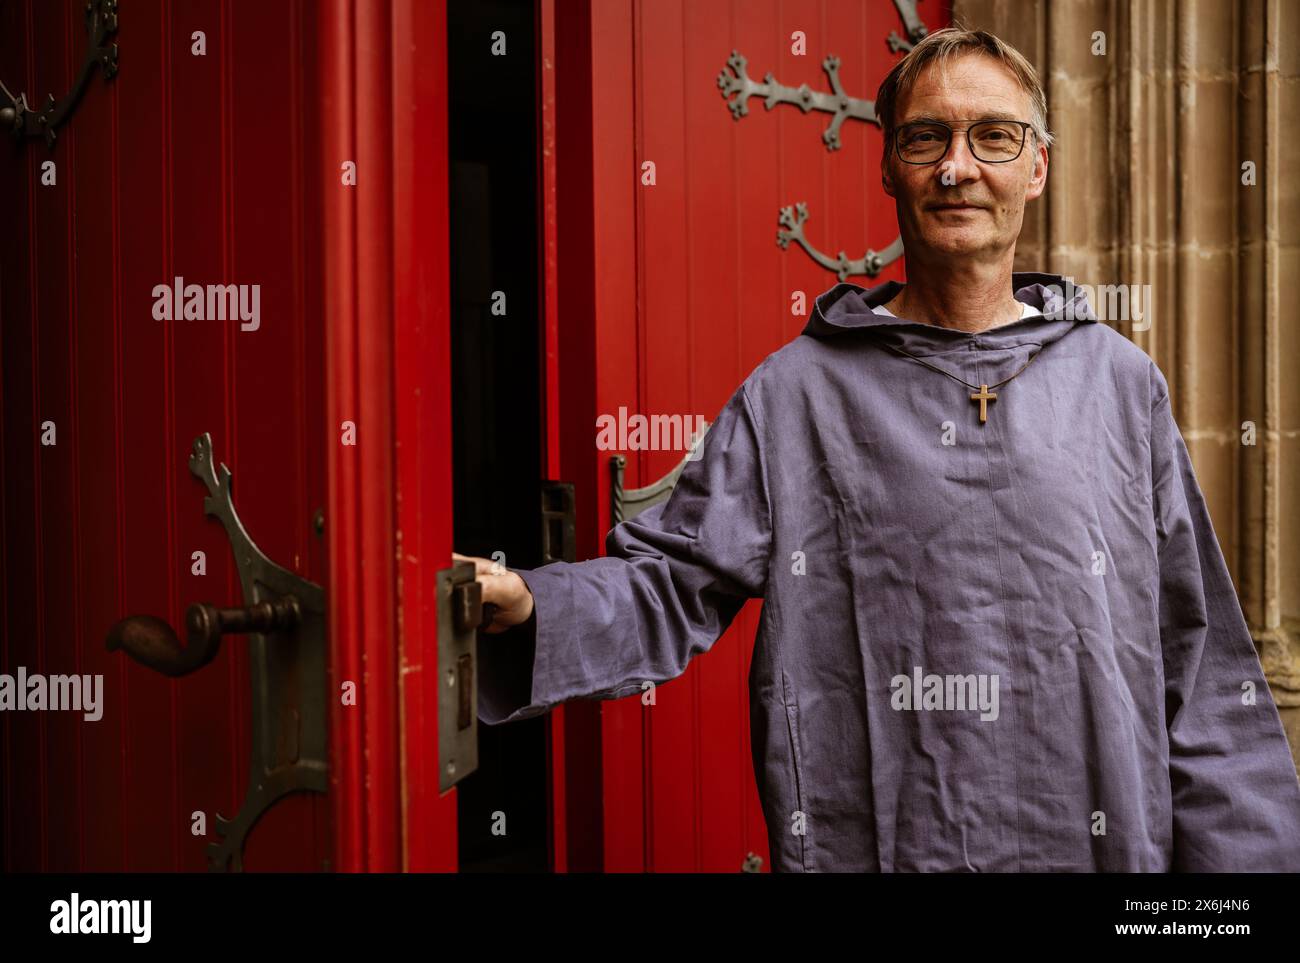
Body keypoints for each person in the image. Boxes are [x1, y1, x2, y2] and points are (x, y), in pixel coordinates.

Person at [455, 27, 1300, 871]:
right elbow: (670, 582)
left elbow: (1201, 667)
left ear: (1036, 167)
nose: (957, 168)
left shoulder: (1120, 385)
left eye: (993, 136)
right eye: (925, 137)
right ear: (889, 166)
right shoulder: (797, 394)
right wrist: (533, 602)